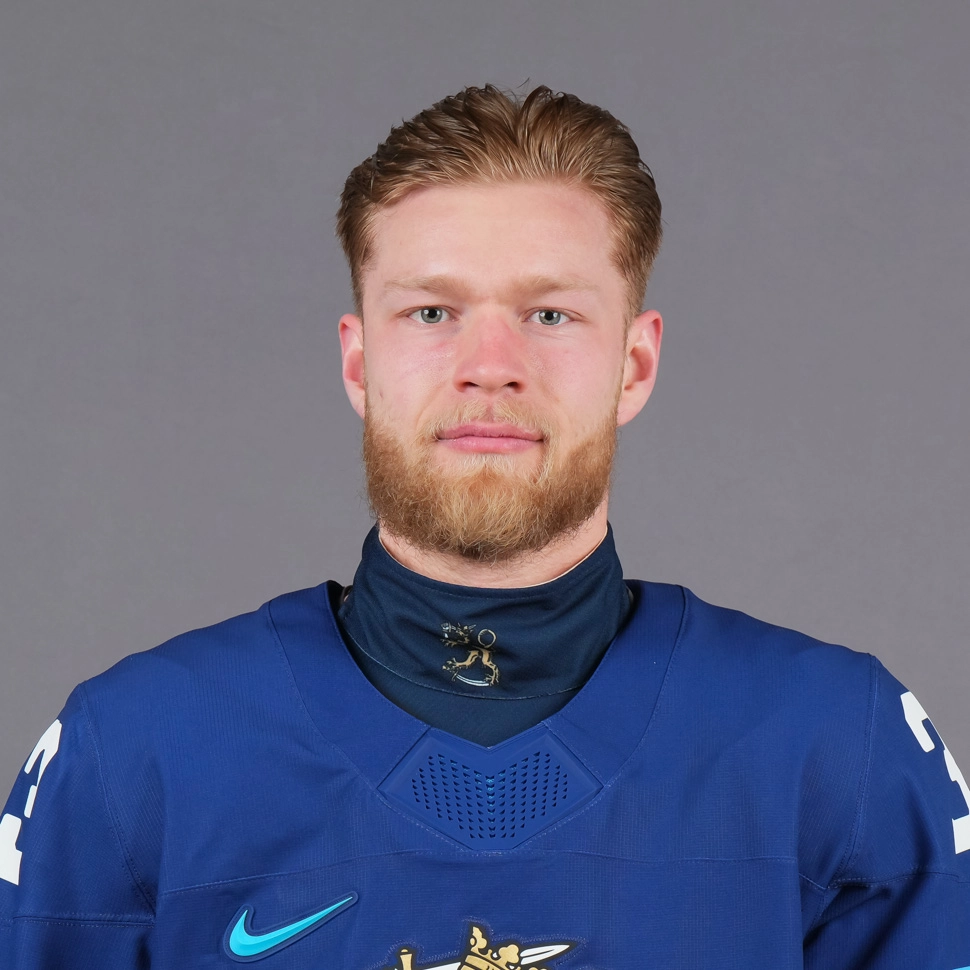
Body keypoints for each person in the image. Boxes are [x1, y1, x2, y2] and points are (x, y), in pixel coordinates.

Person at [1, 84, 967, 970]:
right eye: (432, 312)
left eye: (549, 315)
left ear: (634, 365)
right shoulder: (132, 757)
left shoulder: (839, 748)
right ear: (359, 364)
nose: (489, 364)